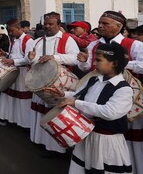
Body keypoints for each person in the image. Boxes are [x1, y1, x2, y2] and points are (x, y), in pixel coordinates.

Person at [47, 42, 133, 173]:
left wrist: (76, 103)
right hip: (87, 136)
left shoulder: (124, 89)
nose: (94, 63)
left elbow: (109, 112)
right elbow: (79, 96)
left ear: (114, 63)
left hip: (106, 142)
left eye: (98, 60)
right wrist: (63, 94)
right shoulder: (93, 80)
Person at [77, 11, 143, 172]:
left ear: (119, 26)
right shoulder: (93, 45)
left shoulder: (134, 44)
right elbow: (88, 69)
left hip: (128, 97)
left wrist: (120, 64)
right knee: (104, 133)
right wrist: (84, 63)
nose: (100, 26)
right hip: (99, 94)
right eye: (99, 22)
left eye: (105, 23)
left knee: (130, 136)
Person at [28, 12, 79, 156]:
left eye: (51, 24)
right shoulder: (38, 41)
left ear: (59, 25)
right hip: (41, 83)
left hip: (60, 85)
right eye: (46, 24)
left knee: (54, 115)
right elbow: (36, 61)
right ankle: (40, 140)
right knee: (40, 113)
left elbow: (75, 58)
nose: (47, 26)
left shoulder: (67, 39)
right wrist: (32, 59)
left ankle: (56, 148)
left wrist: (55, 57)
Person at [0, 19, 34, 128]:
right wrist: (6, 54)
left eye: (12, 31)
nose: (10, 33)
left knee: (22, 99)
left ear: (19, 28)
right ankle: (8, 118)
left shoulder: (28, 40)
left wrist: (13, 61)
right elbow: (14, 55)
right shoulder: (13, 40)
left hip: (23, 74)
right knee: (9, 97)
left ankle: (25, 124)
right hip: (12, 72)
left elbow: (29, 59)